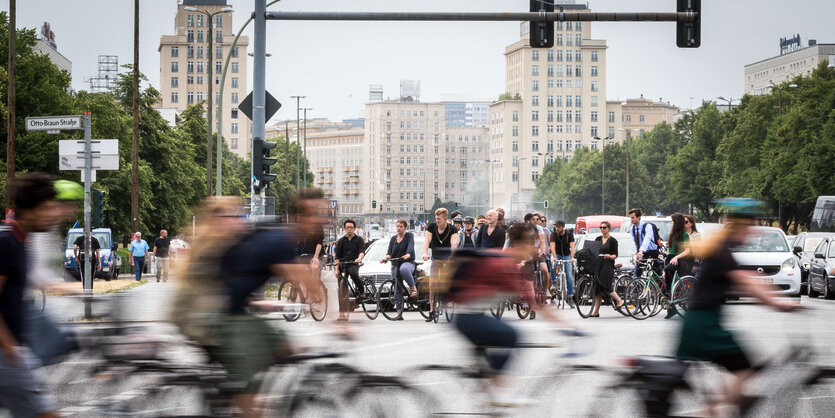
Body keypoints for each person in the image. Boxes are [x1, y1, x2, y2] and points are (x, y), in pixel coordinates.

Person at [171, 197, 322, 417]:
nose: (240, 221)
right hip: (214, 317)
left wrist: (257, 302)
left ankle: (244, 387)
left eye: (239, 215)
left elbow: (235, 280)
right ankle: (244, 395)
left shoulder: (235, 242)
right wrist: (340, 321)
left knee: (286, 346)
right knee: (249, 396)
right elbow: (310, 286)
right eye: (232, 215)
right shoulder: (276, 240)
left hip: (228, 311)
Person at [676, 198, 800, 416]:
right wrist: (781, 304)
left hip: (701, 323)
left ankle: (716, 408)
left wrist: (771, 296)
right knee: (744, 368)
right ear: (738, 227)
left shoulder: (722, 250)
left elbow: (748, 280)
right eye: (749, 228)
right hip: (704, 326)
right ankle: (708, 412)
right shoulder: (723, 252)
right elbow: (747, 283)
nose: (752, 233)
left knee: (739, 368)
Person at [448, 223, 574, 405]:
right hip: (467, 317)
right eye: (531, 245)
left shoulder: (505, 261)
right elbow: (536, 304)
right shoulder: (504, 265)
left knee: (499, 345)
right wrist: (569, 328)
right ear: (521, 245)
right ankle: (494, 390)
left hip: (469, 315)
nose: (533, 249)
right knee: (512, 335)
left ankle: (490, 387)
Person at [0, 173, 64, 418]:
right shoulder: (7, 242)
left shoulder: (20, 241)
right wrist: (11, 350)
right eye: (47, 208)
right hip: (8, 357)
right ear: (27, 211)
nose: (54, 213)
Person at [422, 208, 458, 322]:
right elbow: (427, 240)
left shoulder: (452, 229)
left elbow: (454, 243)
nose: (437, 221)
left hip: (447, 258)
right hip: (436, 257)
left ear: (445, 219)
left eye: (439, 219)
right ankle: (432, 310)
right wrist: (424, 253)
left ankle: (449, 298)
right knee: (432, 284)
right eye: (436, 218)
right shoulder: (432, 227)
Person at [381, 220, 417, 320]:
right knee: (397, 288)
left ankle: (413, 289)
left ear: (405, 228)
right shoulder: (393, 239)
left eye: (401, 226)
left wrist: (408, 254)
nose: (399, 228)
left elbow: (410, 246)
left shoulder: (409, 236)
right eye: (397, 226)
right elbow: (389, 253)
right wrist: (385, 258)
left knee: (404, 269)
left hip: (407, 262)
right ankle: (399, 314)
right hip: (395, 264)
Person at [590, 221, 625, 317]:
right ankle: (596, 312)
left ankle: (620, 300)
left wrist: (609, 256)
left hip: (607, 265)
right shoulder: (598, 239)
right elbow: (594, 250)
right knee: (597, 289)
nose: (602, 229)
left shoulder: (613, 241)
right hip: (598, 265)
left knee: (605, 286)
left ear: (609, 228)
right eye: (600, 227)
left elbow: (615, 255)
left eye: (604, 227)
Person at [333, 219, 366, 321]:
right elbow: (337, 257)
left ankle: (361, 291)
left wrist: (359, 258)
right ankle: (342, 314)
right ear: (344, 229)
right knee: (341, 291)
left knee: (353, 273)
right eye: (347, 227)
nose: (349, 229)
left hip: (353, 263)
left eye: (351, 227)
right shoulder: (341, 241)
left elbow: (361, 251)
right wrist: (336, 269)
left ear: (354, 228)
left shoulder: (359, 240)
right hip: (343, 264)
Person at [663, 213, 691, 319]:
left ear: (677, 222)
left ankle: (669, 293)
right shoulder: (673, 234)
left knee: (668, 273)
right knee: (663, 274)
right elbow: (670, 251)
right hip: (671, 259)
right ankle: (671, 310)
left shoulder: (684, 235)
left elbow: (688, 251)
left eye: (673, 221)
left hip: (680, 261)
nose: (671, 222)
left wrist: (677, 257)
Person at [550, 220, 576, 308]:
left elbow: (572, 247)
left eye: (559, 226)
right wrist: (554, 257)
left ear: (563, 227)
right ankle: (554, 282)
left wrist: (572, 258)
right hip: (556, 254)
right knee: (553, 263)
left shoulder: (569, 235)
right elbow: (552, 246)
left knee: (569, 276)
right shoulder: (553, 234)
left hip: (566, 255)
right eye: (556, 226)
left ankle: (570, 297)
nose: (557, 228)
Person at [628, 208, 661, 277]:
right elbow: (634, 242)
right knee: (638, 272)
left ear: (638, 217)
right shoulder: (632, 229)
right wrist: (637, 253)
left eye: (633, 217)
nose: (631, 219)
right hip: (642, 252)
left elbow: (647, 239)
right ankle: (638, 286)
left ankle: (662, 286)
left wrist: (641, 251)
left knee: (657, 272)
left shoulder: (647, 226)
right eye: (630, 217)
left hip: (653, 251)